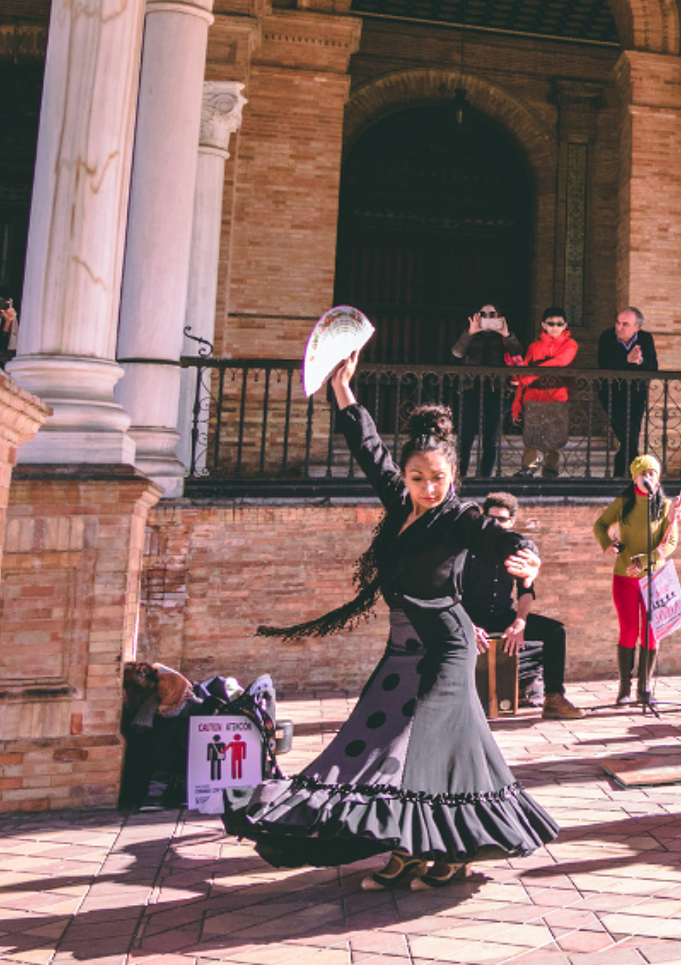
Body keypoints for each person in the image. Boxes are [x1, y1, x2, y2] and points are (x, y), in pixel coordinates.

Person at [223, 350, 558, 891]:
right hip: (403, 648)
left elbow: (498, 538)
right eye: (418, 477)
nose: (428, 488)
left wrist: (527, 553)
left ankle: (439, 852)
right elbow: (369, 449)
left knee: (423, 750)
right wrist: (343, 392)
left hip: (446, 647)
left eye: (438, 478)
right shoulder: (401, 504)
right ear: (406, 476)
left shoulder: (459, 518)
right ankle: (414, 849)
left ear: (453, 477)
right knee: (374, 745)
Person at [464, 493, 583, 720]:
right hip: (470, 617)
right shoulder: (470, 550)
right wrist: (468, 625)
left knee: (555, 631)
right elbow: (451, 595)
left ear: (512, 522)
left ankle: (554, 699)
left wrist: (520, 621)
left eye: (502, 520)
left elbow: (526, 591)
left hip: (502, 615)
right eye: (491, 519)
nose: (496, 525)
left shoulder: (517, 551)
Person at [593, 456, 681, 707]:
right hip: (624, 576)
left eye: (653, 473)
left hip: (654, 578)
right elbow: (600, 525)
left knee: (651, 632)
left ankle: (644, 688)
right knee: (629, 631)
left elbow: (670, 543)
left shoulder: (666, 506)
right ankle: (624, 688)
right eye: (644, 473)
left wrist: (645, 561)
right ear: (635, 477)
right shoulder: (624, 502)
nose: (649, 478)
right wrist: (607, 544)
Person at [450, 305, 522, 478]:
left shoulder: (503, 337)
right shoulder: (471, 334)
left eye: (492, 314)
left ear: (499, 316)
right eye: (483, 314)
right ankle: (460, 476)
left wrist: (506, 334)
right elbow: (457, 352)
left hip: (495, 390)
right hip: (470, 389)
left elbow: (518, 352)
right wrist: (470, 332)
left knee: (490, 438)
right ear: (476, 316)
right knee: (465, 436)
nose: (487, 316)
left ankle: (485, 477)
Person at [510, 308, 579, 477]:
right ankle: (528, 469)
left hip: (557, 397)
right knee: (531, 437)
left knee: (555, 436)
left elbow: (560, 363)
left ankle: (550, 471)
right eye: (551, 323)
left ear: (565, 325)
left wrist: (529, 376)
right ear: (543, 325)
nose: (555, 327)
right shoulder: (534, 347)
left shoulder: (571, 345)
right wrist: (516, 404)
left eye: (559, 324)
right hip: (533, 397)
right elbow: (523, 376)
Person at [597, 307, 660, 473]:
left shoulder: (645, 339)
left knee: (630, 437)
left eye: (625, 324)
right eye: (618, 322)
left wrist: (640, 361)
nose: (619, 327)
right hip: (611, 394)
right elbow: (603, 363)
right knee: (627, 436)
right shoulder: (607, 337)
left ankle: (622, 475)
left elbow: (653, 366)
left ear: (637, 327)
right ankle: (630, 475)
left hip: (636, 394)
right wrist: (626, 359)